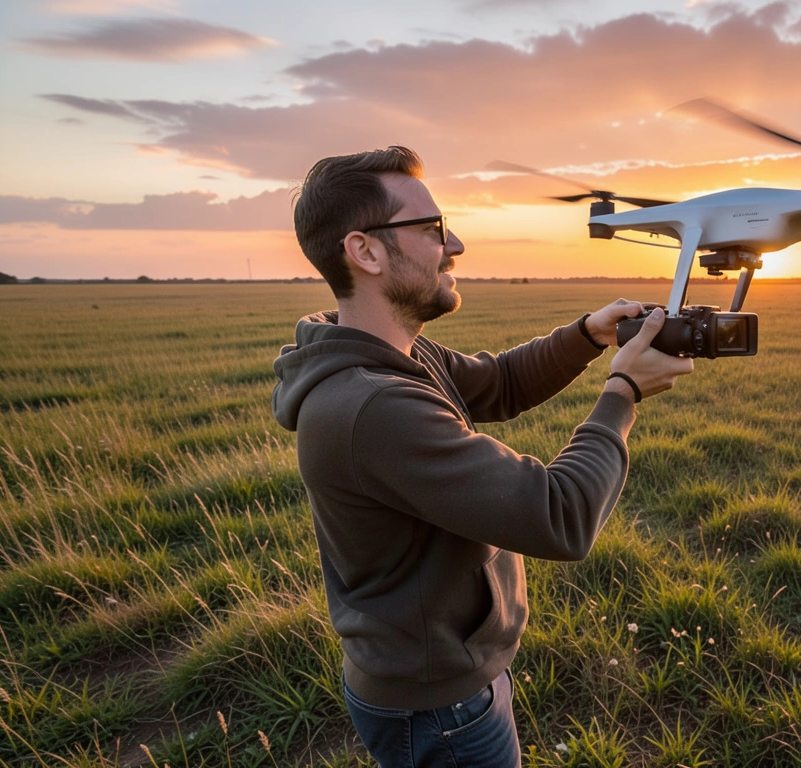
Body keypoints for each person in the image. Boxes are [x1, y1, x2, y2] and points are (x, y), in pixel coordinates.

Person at [272, 146, 693, 767]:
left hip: (447, 679)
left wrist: (587, 334)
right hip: (438, 707)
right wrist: (622, 393)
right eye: (433, 229)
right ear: (365, 251)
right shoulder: (374, 406)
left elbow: (497, 383)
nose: (457, 244)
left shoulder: (398, 358)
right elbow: (560, 515)